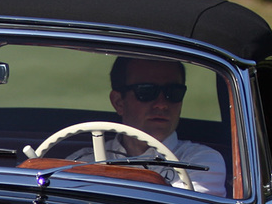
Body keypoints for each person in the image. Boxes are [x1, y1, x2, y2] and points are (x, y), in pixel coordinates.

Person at [74, 56, 226, 195]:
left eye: (173, 92)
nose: (161, 105)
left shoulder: (202, 161)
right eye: (146, 91)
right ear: (119, 102)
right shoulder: (84, 159)